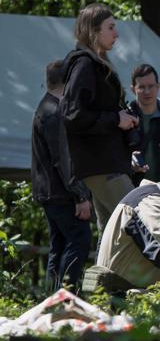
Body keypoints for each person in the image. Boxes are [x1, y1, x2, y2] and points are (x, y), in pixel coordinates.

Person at [61, 3, 138, 232]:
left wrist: (125, 119)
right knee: (139, 222)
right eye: (111, 27)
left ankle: (104, 270)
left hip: (106, 163)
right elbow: (72, 115)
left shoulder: (96, 64)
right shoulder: (84, 65)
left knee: (111, 234)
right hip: (101, 164)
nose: (117, 33)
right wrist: (116, 119)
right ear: (94, 31)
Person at [31, 60, 94, 290]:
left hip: (50, 191)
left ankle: (51, 301)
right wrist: (80, 195)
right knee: (80, 239)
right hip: (62, 193)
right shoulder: (55, 113)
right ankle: (65, 297)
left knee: (59, 246)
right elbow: (63, 160)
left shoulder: (45, 107)